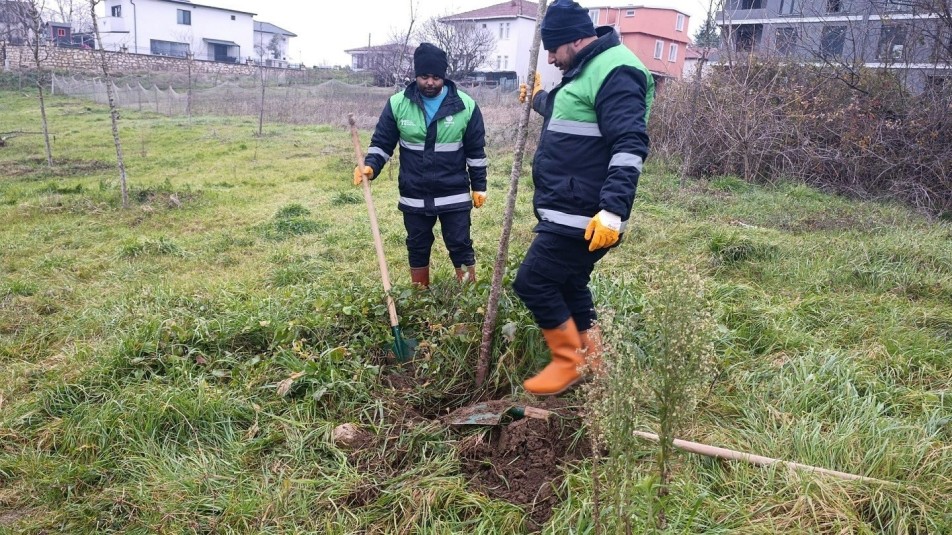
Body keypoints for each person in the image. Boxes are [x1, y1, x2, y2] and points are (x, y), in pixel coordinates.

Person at [514, 0, 654, 396]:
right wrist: (538, 98)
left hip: (586, 213)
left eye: (554, 49)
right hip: (569, 207)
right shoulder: (588, 69)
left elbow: (629, 143)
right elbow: (571, 111)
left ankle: (569, 361)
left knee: (534, 281)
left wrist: (613, 210)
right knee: (571, 283)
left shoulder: (617, 70)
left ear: (576, 40)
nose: (550, 57)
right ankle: (595, 360)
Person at [354, 43, 488, 288]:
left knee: (460, 244)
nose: (430, 82)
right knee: (417, 246)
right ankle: (420, 296)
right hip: (414, 192)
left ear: (444, 77)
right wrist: (371, 166)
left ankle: (470, 296)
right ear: (415, 75)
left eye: (436, 77)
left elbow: (475, 152)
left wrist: (480, 187)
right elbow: (382, 143)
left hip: (454, 193)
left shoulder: (465, 106)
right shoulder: (397, 104)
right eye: (424, 76)